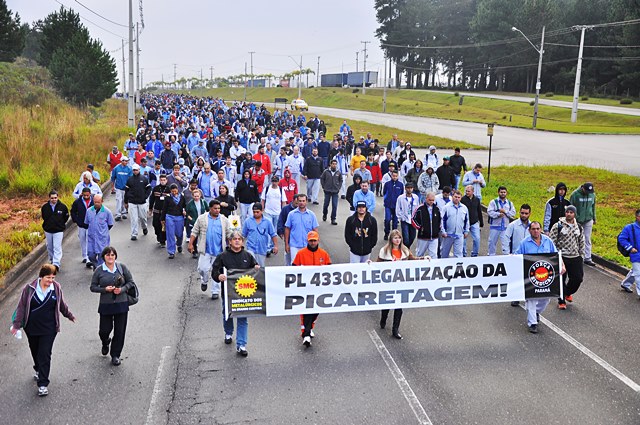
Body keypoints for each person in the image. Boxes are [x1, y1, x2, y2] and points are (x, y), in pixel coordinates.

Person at [12, 264, 76, 396]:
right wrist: (17, 325)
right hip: (32, 328)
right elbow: (21, 307)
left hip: (49, 328)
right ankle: (38, 369)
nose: (50, 280)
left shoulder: (56, 288)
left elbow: (61, 304)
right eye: (48, 277)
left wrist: (68, 315)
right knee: (35, 351)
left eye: (53, 277)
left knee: (45, 353)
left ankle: (42, 384)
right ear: (41, 276)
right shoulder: (29, 289)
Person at [211, 230, 259, 357]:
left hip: (244, 294)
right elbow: (214, 271)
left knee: (243, 318)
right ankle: (228, 332)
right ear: (230, 242)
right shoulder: (222, 256)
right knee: (227, 314)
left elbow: (255, 269)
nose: (237, 241)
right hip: (228, 293)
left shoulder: (247, 256)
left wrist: (257, 269)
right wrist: (218, 276)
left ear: (242, 241)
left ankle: (241, 345)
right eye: (234, 239)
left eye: (239, 239)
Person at [514, 222, 563, 334]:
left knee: (546, 298)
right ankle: (532, 323)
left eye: (537, 229)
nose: (535, 231)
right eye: (533, 229)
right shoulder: (524, 243)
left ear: (541, 229)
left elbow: (556, 255)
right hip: (530, 278)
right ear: (529, 230)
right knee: (531, 299)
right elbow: (517, 256)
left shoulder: (548, 241)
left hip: (545, 277)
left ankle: (535, 312)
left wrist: (562, 265)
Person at [376, 229, 426, 340]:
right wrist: (369, 264)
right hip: (389, 283)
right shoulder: (384, 251)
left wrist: (423, 259)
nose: (397, 240)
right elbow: (377, 265)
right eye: (395, 238)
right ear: (391, 239)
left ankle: (395, 329)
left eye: (399, 238)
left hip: (401, 283)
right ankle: (383, 319)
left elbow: (413, 259)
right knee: (387, 305)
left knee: (399, 307)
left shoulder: (405, 250)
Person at [90, 246, 135, 366]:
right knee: (104, 330)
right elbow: (93, 287)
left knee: (120, 331)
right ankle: (105, 342)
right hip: (106, 305)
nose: (110, 257)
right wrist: (105, 289)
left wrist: (121, 289)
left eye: (112, 255)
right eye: (108, 255)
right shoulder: (99, 270)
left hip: (121, 304)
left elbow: (131, 283)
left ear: (115, 256)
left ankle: (115, 355)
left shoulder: (122, 268)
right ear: (103, 257)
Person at [292, 230, 332, 347]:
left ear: (318, 240)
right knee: (306, 309)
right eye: (311, 241)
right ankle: (306, 334)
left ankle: (308, 328)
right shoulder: (301, 253)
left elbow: (330, 269)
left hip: (319, 288)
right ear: (307, 241)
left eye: (314, 240)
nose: (313, 243)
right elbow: (294, 268)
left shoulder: (323, 254)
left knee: (316, 309)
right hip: (305, 288)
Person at [189, 200, 231, 299]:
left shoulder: (224, 220)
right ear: (210, 208)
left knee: (217, 271)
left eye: (219, 208)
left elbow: (229, 233)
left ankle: (215, 291)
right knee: (203, 269)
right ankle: (204, 281)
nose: (217, 210)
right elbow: (194, 231)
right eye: (215, 208)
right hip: (205, 250)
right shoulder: (202, 219)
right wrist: (191, 244)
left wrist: (231, 245)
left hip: (219, 252)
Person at [549, 205, 585, 310]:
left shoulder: (579, 226)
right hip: (562, 256)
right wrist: (555, 256)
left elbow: (581, 241)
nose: (569, 214)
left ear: (574, 214)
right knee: (561, 279)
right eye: (567, 212)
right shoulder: (558, 225)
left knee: (578, 279)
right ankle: (561, 300)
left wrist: (581, 255)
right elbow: (552, 241)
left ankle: (567, 292)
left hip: (575, 256)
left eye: (571, 212)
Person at [503, 204, 531, 306]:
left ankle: (528, 296)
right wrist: (507, 253)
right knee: (516, 278)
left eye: (526, 213)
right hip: (515, 256)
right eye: (522, 213)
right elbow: (506, 239)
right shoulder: (513, 225)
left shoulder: (533, 227)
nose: (524, 215)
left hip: (529, 257)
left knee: (528, 277)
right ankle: (516, 297)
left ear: (529, 214)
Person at [284, 194, 319, 263]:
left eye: (303, 201)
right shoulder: (291, 214)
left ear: (306, 202)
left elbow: (315, 230)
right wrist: (286, 244)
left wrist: (316, 244)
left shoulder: (312, 215)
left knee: (307, 263)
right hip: (294, 245)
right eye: (300, 201)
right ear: (297, 201)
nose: (301, 203)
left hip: (307, 245)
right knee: (294, 264)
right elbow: (287, 229)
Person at [41, 190, 69, 271]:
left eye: (55, 198)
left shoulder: (62, 207)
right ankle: (52, 259)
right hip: (48, 230)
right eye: (52, 198)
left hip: (58, 230)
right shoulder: (45, 207)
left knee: (57, 246)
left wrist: (60, 224)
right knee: (50, 246)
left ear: (58, 197)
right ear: (49, 198)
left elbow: (66, 217)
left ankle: (56, 263)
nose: (54, 199)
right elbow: (44, 217)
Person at [242, 203, 278, 267]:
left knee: (260, 268)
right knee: (251, 266)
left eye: (257, 212)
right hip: (251, 248)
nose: (255, 214)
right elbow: (243, 235)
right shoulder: (248, 221)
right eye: (254, 212)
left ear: (262, 211)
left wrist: (275, 246)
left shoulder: (267, 222)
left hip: (262, 249)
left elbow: (273, 234)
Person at [84, 194, 115, 269]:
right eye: (95, 202)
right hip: (92, 238)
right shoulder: (89, 211)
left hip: (102, 239)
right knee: (90, 255)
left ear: (102, 201)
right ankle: (96, 265)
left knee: (102, 256)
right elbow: (86, 223)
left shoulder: (107, 212)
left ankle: (99, 271)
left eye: (98, 202)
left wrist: (103, 231)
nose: (96, 204)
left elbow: (110, 224)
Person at [570, 182, 596, 266]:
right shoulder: (575, 194)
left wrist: (594, 217)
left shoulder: (592, 195)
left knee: (587, 238)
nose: (588, 193)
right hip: (577, 220)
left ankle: (587, 258)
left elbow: (593, 207)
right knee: (576, 237)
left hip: (588, 219)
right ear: (583, 188)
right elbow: (571, 207)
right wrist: (572, 219)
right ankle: (576, 256)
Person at [124, 163, 151, 241]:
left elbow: (149, 188)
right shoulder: (130, 179)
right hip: (132, 202)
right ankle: (134, 234)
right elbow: (126, 191)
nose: (135, 171)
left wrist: (145, 196)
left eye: (136, 170)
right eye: (134, 170)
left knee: (143, 217)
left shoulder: (144, 179)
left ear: (139, 170)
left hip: (142, 202)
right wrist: (126, 201)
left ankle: (144, 227)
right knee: (134, 219)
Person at [487, 186, 516, 256]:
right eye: (501, 192)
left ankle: (506, 257)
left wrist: (505, 211)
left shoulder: (509, 203)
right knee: (492, 243)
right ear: (498, 192)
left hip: (505, 227)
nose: (503, 194)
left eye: (504, 192)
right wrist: (498, 214)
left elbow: (513, 213)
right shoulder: (493, 202)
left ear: (506, 193)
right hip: (495, 226)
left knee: (505, 243)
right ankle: (491, 256)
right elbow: (489, 212)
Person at [440, 190, 469, 258]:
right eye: (455, 197)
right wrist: (443, 231)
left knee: (458, 255)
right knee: (444, 254)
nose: (457, 198)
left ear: (461, 198)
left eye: (458, 197)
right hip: (448, 235)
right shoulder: (446, 207)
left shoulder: (464, 208)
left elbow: (467, 220)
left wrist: (466, 231)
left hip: (459, 235)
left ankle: (458, 268)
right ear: (452, 196)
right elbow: (442, 220)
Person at [412, 192, 442, 258]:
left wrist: (438, 229)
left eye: (433, 200)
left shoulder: (437, 209)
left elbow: (440, 220)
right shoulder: (420, 208)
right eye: (429, 200)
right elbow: (413, 219)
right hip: (423, 237)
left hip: (434, 236)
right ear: (426, 199)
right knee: (420, 254)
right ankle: (419, 267)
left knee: (434, 255)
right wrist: (420, 228)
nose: (431, 201)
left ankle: (433, 267)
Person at [161, 183, 187, 259]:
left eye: (175, 191)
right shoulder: (168, 198)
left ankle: (179, 244)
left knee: (179, 233)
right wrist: (162, 219)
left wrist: (185, 211)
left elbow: (185, 206)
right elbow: (164, 208)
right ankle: (171, 251)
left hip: (179, 217)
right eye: (172, 191)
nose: (174, 193)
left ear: (177, 190)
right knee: (170, 234)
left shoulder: (182, 197)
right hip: (170, 217)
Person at [619, 209, 640, 296]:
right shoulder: (629, 227)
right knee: (638, 274)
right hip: (635, 254)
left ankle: (626, 284)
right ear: (637, 217)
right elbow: (622, 238)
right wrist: (630, 248)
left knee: (635, 272)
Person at [70, 188, 93, 265]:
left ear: (90, 194)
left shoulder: (93, 202)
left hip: (91, 225)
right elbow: (73, 212)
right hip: (81, 224)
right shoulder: (77, 202)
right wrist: (77, 221)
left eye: (87, 195)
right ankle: (85, 256)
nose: (86, 197)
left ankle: (89, 257)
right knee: (83, 239)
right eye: (84, 195)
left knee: (89, 240)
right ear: (82, 194)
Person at [461, 185, 483, 257]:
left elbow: (479, 211)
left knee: (477, 239)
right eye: (466, 191)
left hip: (474, 222)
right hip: (464, 223)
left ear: (473, 191)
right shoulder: (462, 200)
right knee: (463, 240)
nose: (467, 192)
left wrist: (481, 222)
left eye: (468, 191)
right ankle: (464, 254)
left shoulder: (477, 200)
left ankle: (474, 254)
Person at [186, 189, 208, 258]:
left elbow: (208, 210)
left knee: (202, 237)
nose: (196, 198)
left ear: (200, 196)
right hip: (193, 222)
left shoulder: (203, 202)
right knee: (194, 237)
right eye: (195, 196)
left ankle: (202, 250)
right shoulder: (190, 203)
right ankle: (194, 251)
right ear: (192, 196)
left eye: (197, 196)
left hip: (202, 222)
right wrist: (191, 219)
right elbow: (187, 213)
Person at [396, 182, 420, 248]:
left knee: (413, 236)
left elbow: (417, 208)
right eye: (408, 188)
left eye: (411, 188)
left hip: (413, 220)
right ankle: (406, 249)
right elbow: (398, 209)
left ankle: (406, 248)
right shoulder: (400, 198)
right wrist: (401, 217)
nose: (409, 190)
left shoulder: (416, 197)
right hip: (405, 220)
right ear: (405, 189)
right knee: (406, 237)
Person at [149, 174, 170, 247]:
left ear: (166, 181)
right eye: (161, 180)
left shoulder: (169, 189)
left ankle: (163, 240)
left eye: (164, 180)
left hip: (165, 211)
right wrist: (150, 208)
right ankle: (158, 235)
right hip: (156, 210)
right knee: (155, 224)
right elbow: (152, 199)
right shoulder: (155, 188)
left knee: (163, 226)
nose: (163, 181)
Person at [382, 170, 404, 240]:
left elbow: (401, 194)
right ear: (391, 176)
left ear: (398, 176)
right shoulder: (387, 184)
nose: (394, 177)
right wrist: (386, 200)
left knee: (395, 221)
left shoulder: (400, 185)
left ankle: (394, 234)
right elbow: (384, 192)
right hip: (388, 205)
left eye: (396, 176)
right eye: (393, 176)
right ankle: (386, 232)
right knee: (387, 219)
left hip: (396, 206)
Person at [320, 159, 342, 225]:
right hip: (327, 191)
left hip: (335, 191)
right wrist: (324, 186)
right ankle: (324, 214)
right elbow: (322, 179)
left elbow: (341, 180)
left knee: (334, 205)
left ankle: (333, 219)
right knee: (326, 204)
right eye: (333, 164)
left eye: (335, 164)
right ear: (330, 164)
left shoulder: (338, 172)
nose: (334, 165)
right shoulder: (326, 172)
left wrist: (338, 187)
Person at [111, 156, 133, 221]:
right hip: (118, 187)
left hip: (126, 188)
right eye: (125, 161)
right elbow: (113, 178)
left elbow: (130, 179)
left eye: (127, 161)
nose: (126, 162)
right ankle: (118, 214)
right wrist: (112, 187)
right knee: (118, 200)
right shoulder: (116, 168)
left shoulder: (129, 169)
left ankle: (124, 213)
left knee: (124, 200)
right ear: (122, 161)